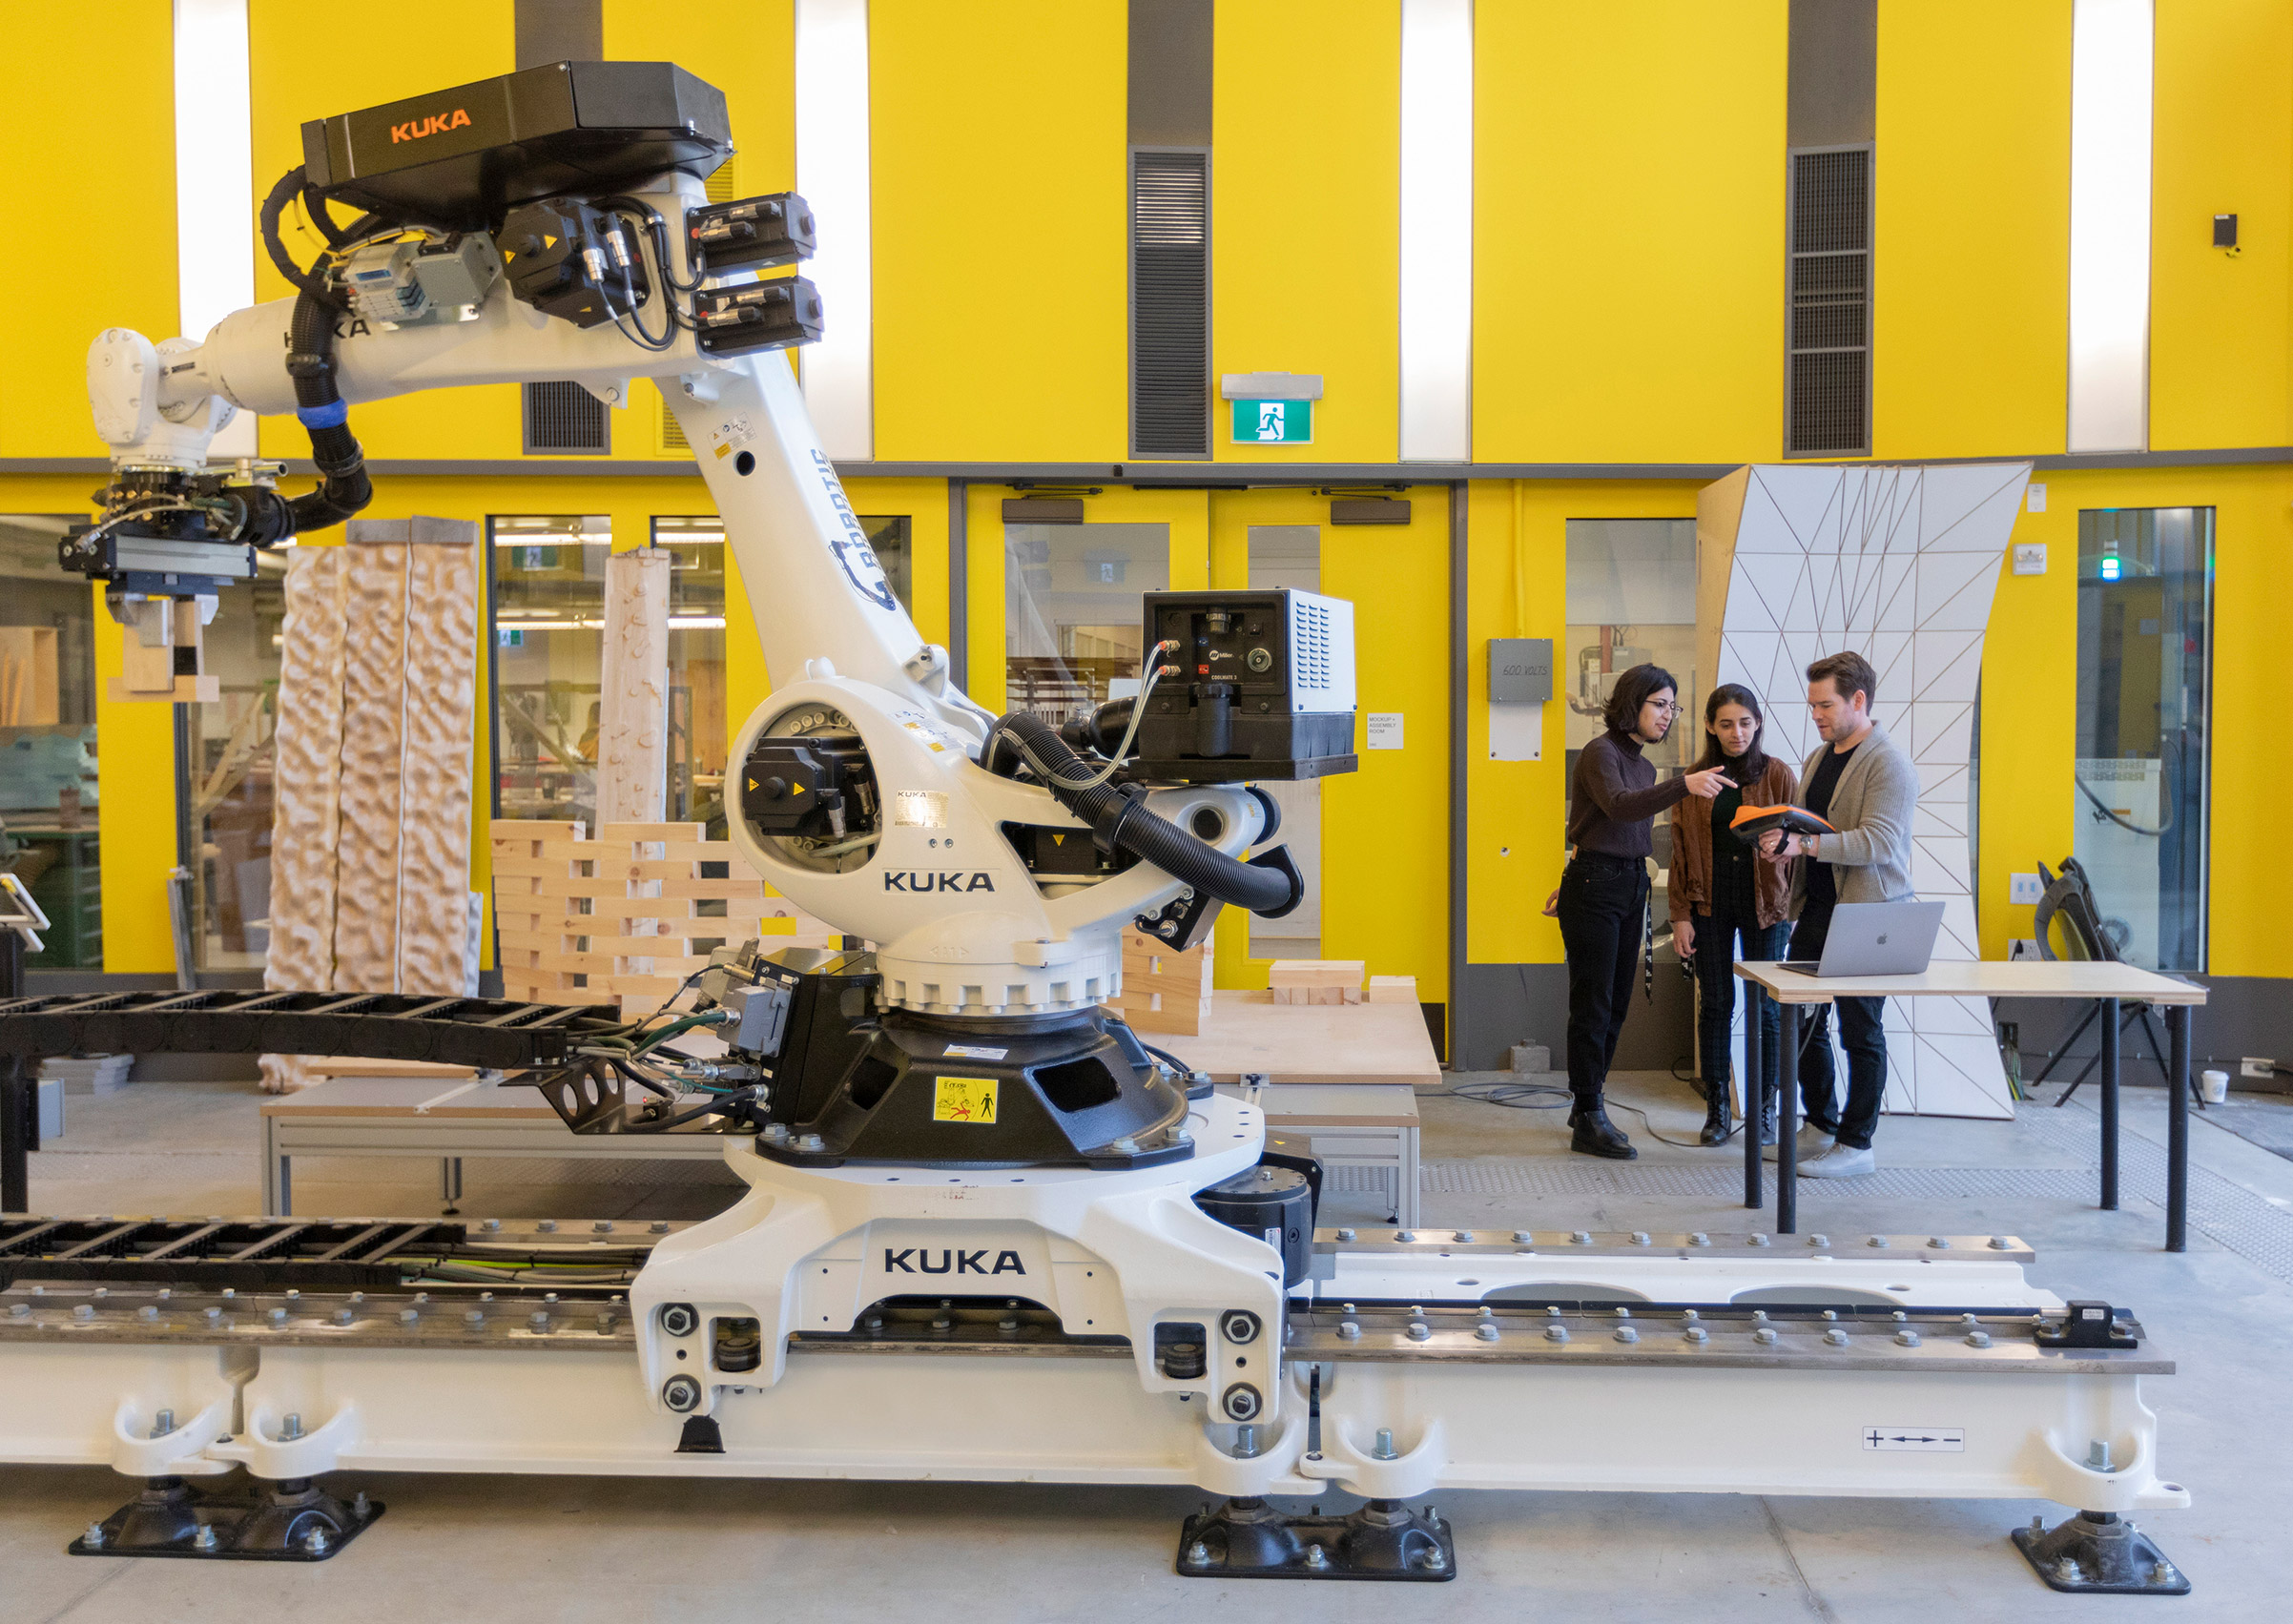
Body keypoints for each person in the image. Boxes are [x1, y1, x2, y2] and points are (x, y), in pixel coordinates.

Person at [1557, 664, 1734, 1159]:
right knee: (1593, 1002)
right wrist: (1685, 785)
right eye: (1660, 704)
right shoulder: (1602, 752)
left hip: (1629, 881)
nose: (1668, 716)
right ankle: (1589, 1114)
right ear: (1632, 703)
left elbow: (1615, 822)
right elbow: (1618, 807)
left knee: (1615, 1003)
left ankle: (1586, 1101)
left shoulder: (1642, 763)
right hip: (1596, 883)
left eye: (1673, 707)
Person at [1759, 651, 1918, 1178]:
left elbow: (1878, 843)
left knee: (1860, 1030)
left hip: (1869, 914)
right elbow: (1813, 825)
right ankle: (1822, 1124)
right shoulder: (1818, 757)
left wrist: (1801, 846)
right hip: (1821, 909)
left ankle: (1857, 1144)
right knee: (1802, 1020)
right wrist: (1781, 839)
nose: (1817, 715)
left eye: (1825, 705)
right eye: (1812, 706)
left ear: (1858, 700)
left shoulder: (1888, 762)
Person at [1668, 685, 1796, 1146]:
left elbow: (1795, 845)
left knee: (1766, 1006)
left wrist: (1792, 907)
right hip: (1710, 899)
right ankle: (1717, 1110)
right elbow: (1680, 851)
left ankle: (1763, 1109)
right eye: (1725, 723)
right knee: (1718, 1004)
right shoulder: (1696, 778)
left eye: (1744, 722)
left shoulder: (1778, 773)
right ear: (1709, 726)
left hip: (1766, 904)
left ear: (1758, 723)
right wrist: (1680, 915)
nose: (1736, 732)